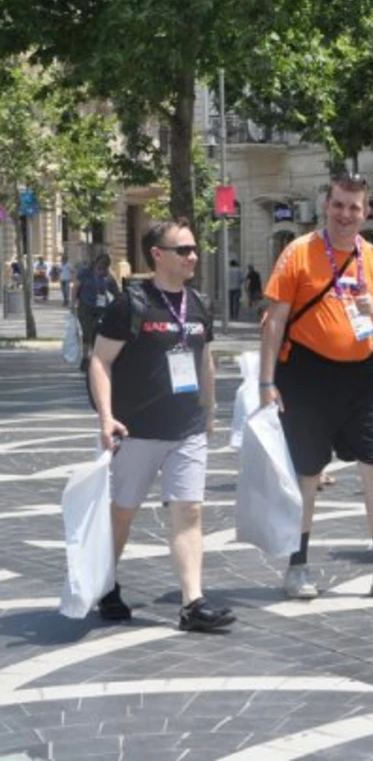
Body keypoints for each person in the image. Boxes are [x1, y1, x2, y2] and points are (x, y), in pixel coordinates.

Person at [259, 173, 373, 600]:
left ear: (366, 211)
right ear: (326, 205)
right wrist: (266, 383)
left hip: (361, 376)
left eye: (354, 207)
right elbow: (274, 320)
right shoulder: (299, 252)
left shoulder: (372, 256)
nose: (345, 214)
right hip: (306, 375)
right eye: (338, 205)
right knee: (308, 473)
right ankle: (297, 567)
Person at [88, 219, 235, 632]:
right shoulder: (131, 303)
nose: (193, 256)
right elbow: (100, 360)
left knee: (189, 510)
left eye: (193, 250)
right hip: (136, 429)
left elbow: (204, 358)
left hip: (185, 428)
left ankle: (193, 602)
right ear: (157, 254)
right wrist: (106, 417)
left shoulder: (198, 303)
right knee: (123, 513)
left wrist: (209, 409)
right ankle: (105, 583)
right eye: (183, 250)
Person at [75, 254, 121, 372]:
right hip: (85, 307)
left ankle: (95, 359)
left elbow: (116, 292)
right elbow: (76, 287)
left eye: (104, 266)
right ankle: (85, 358)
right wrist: (72, 303)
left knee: (98, 332)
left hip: (101, 308)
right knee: (87, 332)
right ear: (95, 262)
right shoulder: (85, 273)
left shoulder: (108, 276)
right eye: (99, 265)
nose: (101, 268)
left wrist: (120, 303)